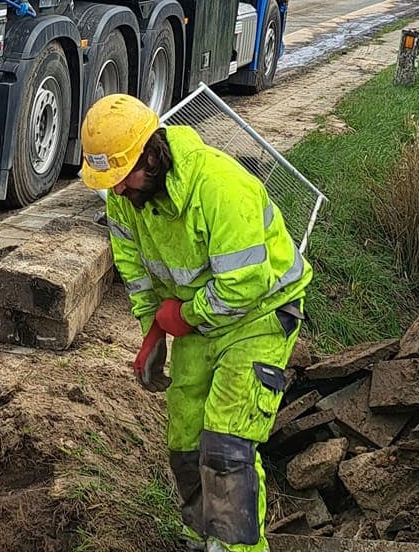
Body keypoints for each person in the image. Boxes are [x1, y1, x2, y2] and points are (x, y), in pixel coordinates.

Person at [79, 93, 312, 552]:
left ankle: (235, 548)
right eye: (110, 182)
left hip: (259, 315)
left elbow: (246, 284)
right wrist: (152, 330)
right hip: (200, 317)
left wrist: (183, 316)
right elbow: (134, 268)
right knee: (185, 438)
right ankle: (201, 537)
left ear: (153, 154)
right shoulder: (127, 198)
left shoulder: (220, 187)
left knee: (226, 446)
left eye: (123, 177)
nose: (118, 191)